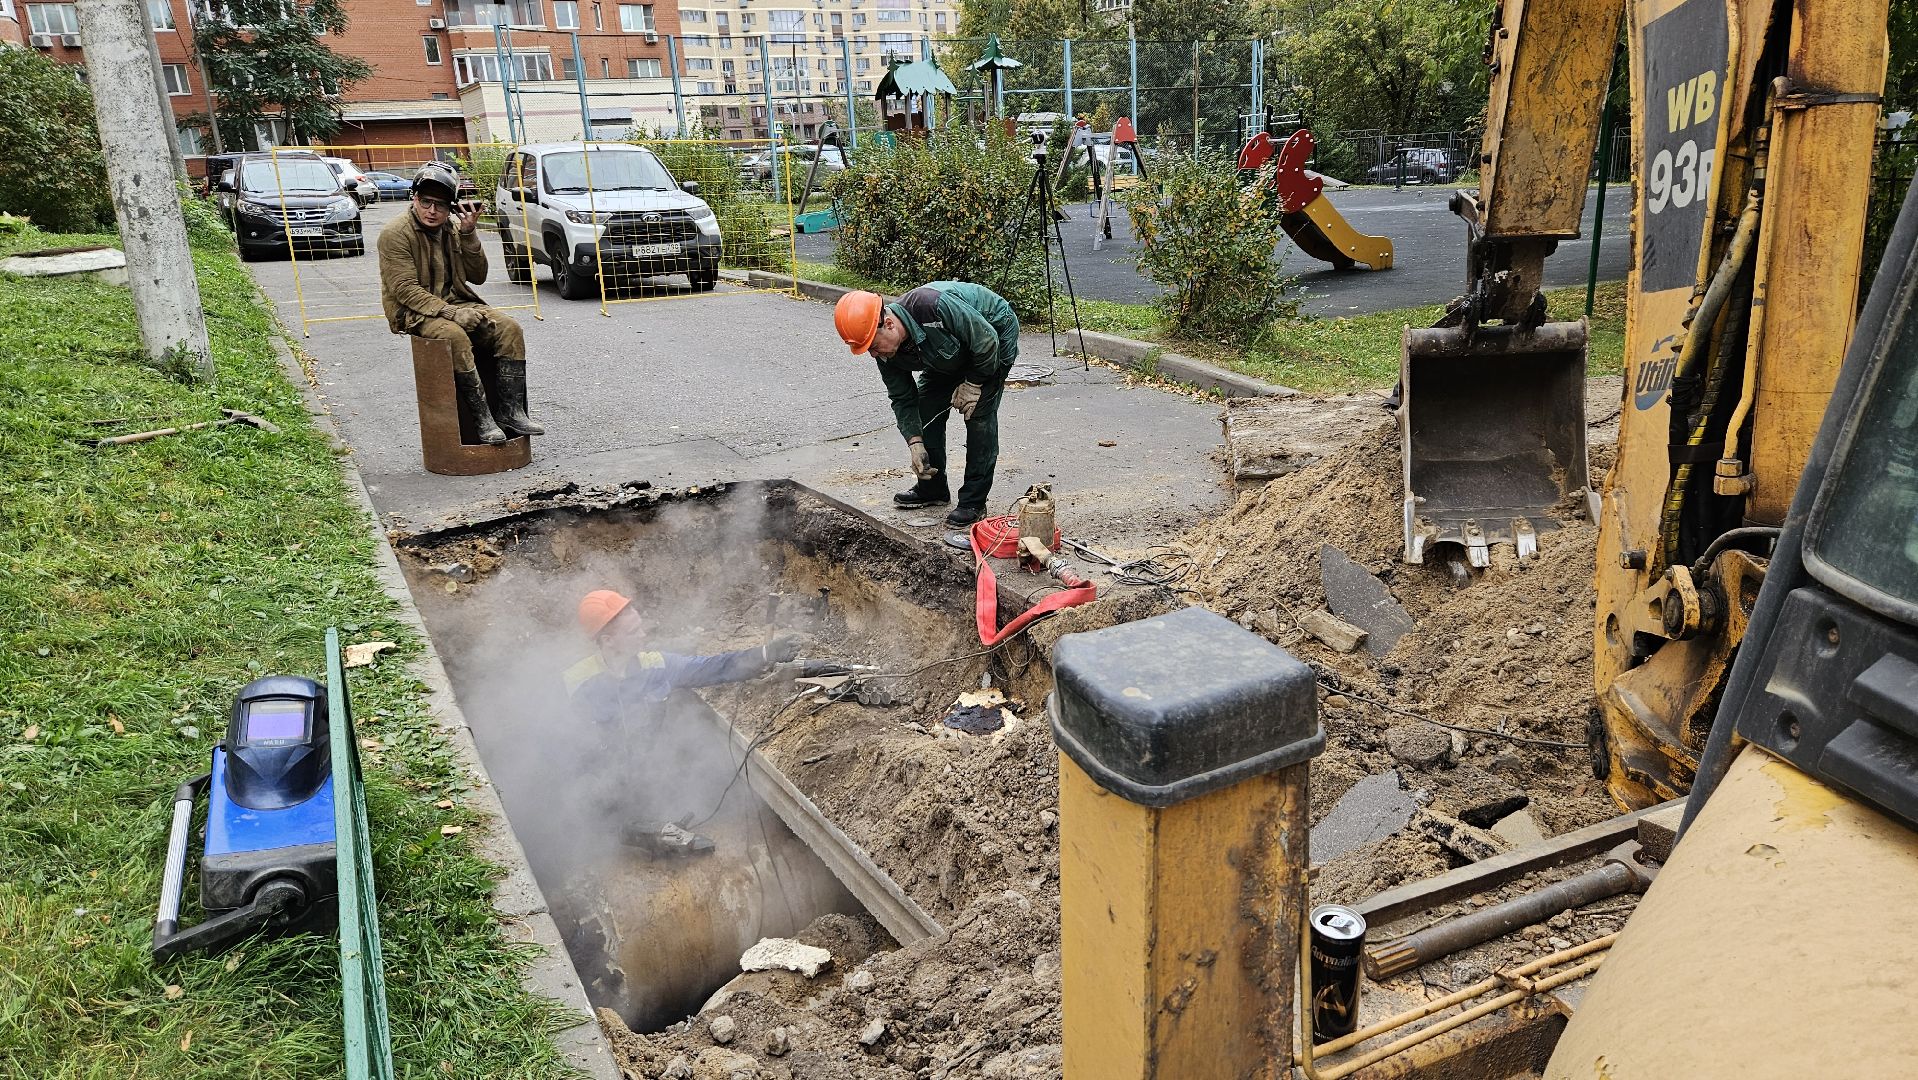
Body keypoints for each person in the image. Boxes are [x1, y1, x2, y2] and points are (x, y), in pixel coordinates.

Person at [563, 589, 803, 855]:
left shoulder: (655, 666)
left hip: (648, 778)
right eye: (633, 632)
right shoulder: (576, 685)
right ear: (607, 640)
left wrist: (765, 654)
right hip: (604, 793)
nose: (643, 636)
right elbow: (566, 757)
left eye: (641, 627)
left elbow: (714, 667)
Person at [378, 161, 543, 446]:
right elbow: (404, 290)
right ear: (414, 198)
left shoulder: (453, 228)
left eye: (440, 205)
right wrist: (454, 314)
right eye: (426, 202)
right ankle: (482, 418)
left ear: (451, 207)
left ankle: (510, 411)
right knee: (454, 336)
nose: (432, 211)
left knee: (510, 329)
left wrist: (469, 234)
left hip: (454, 301)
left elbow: (478, 276)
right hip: (413, 311)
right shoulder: (395, 233)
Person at [833, 282, 1020, 527]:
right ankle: (933, 489)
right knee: (925, 409)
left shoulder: (933, 307)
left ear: (888, 324)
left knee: (978, 415)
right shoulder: (885, 351)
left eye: (873, 346)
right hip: (945, 351)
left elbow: (986, 342)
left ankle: (973, 501)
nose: (873, 355)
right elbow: (902, 397)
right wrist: (915, 442)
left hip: (992, 336)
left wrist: (974, 383)